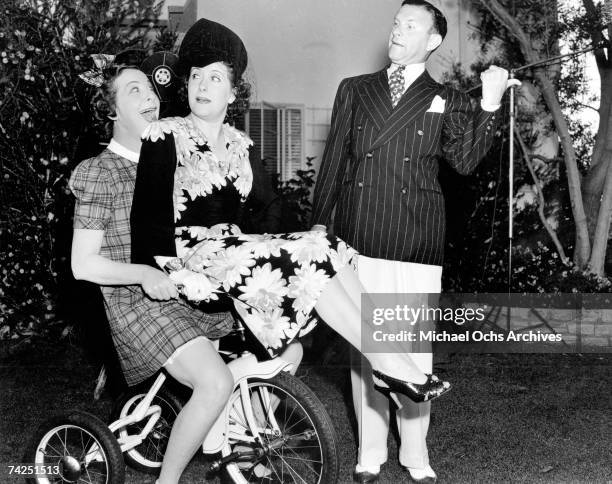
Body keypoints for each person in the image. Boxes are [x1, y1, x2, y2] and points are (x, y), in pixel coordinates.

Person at [130, 18, 453, 475]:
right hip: (189, 259)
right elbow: (145, 218)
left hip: (235, 253)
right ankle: (388, 360)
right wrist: (154, 273)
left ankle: (386, 358)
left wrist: (301, 240)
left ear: (233, 92)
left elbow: (272, 209)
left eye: (215, 77)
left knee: (323, 243)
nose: (202, 86)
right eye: (196, 75)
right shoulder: (164, 136)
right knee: (311, 250)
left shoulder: (241, 145)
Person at [69, 56, 301, 484]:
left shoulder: (176, 157)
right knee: (212, 382)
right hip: (140, 302)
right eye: (133, 90)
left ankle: (224, 438)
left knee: (288, 348)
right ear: (111, 111)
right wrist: (142, 273)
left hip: (192, 289)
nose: (150, 99)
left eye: (151, 90)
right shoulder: (100, 172)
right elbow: (82, 265)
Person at [311, 1, 509, 482]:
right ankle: (370, 453)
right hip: (359, 237)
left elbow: (463, 161)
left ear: (433, 40)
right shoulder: (355, 90)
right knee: (368, 352)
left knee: (412, 349)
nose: (398, 30)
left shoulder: (447, 98)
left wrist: (488, 100)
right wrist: (320, 228)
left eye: (411, 25)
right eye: (397, 22)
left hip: (415, 237)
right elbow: (335, 162)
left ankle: (415, 456)